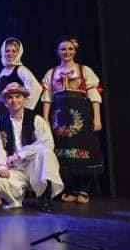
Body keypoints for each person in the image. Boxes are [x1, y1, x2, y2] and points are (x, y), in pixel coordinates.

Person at [41, 37, 104, 203]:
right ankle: (70, 189)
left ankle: (84, 190)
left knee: (83, 150)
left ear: (75, 51)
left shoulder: (84, 70)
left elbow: (94, 96)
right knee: (63, 151)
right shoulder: (51, 73)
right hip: (59, 118)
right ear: (57, 52)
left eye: (70, 49)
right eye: (63, 49)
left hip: (82, 117)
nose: (66, 52)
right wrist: (45, 119)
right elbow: (47, 98)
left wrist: (97, 118)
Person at [0, 83, 64, 211]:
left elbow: (47, 143)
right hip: (15, 169)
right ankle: (15, 199)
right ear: (5, 102)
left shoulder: (36, 119)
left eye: (18, 96)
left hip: (34, 166)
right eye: (10, 97)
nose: (14, 100)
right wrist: (1, 165)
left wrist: (20, 155)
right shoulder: (0, 123)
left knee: (46, 153)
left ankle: (44, 197)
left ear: (24, 99)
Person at [0, 37, 42, 118]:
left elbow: (36, 88)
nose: (10, 53)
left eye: (14, 51)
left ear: (18, 53)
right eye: (7, 51)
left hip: (17, 112)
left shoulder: (21, 70)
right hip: (1, 112)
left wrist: (25, 107)